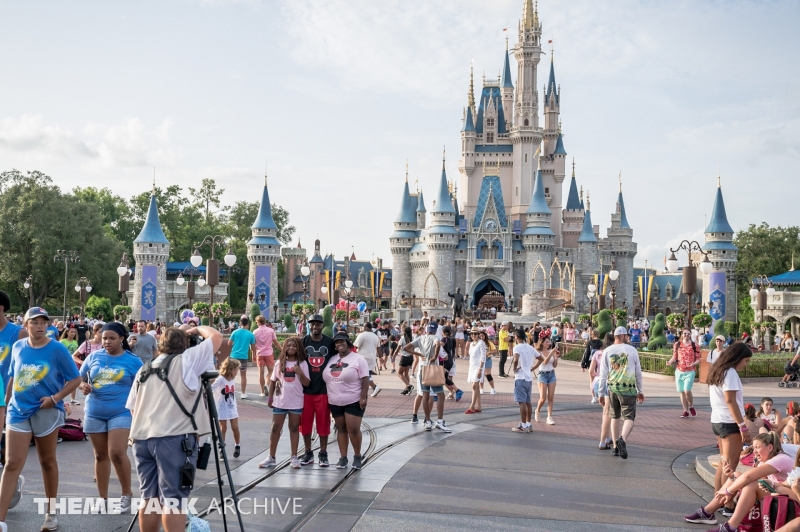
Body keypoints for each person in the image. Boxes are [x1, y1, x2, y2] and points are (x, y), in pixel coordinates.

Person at [126, 324, 222, 532]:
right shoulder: (187, 360)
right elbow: (216, 337)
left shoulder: (144, 369)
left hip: (141, 438)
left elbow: (133, 408)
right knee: (174, 500)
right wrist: (196, 329)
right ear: (185, 344)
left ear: (161, 344)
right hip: (175, 438)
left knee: (149, 497)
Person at [0, 307, 82, 532]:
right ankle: (1, 519)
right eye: (35, 322)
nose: (39, 326)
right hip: (18, 411)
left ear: (48, 325)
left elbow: (75, 379)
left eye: (43, 322)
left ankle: (51, 512)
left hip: (46, 410)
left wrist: (55, 398)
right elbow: (13, 377)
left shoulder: (57, 349)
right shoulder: (18, 347)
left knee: (47, 461)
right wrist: (7, 404)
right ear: (26, 325)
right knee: (12, 463)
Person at [78, 322, 143, 513]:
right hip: (95, 411)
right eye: (104, 338)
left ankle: (126, 494)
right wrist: (82, 386)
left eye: (112, 338)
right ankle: (102, 498)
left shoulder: (133, 360)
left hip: (121, 412)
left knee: (116, 452)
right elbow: (78, 378)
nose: (107, 342)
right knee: (100, 455)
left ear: (122, 339)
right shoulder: (94, 356)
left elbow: (143, 386)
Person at [685, 432, 791, 531]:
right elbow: (756, 480)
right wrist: (732, 477)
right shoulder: (764, 462)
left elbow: (747, 477)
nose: (754, 451)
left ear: (770, 447)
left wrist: (728, 491)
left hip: (791, 501)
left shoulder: (780, 459)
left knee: (751, 485)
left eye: (757, 447)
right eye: (753, 448)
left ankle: (730, 526)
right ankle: (707, 512)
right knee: (736, 475)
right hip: (779, 496)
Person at [323, 331, 370, 469]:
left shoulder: (358, 359)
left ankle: (357, 456)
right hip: (335, 401)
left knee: (353, 429)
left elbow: (365, 378)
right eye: (337, 342)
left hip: (353, 399)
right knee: (341, 428)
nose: (340, 344)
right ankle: (343, 458)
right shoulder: (332, 359)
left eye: (342, 341)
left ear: (348, 343)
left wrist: (363, 397)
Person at [597, 326, 645, 460]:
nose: (628, 338)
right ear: (623, 336)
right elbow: (638, 373)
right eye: (627, 336)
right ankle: (622, 439)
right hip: (628, 389)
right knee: (629, 417)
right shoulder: (632, 350)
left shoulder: (607, 351)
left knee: (615, 416)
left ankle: (615, 447)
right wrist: (640, 390)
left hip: (613, 389)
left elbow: (603, 374)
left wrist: (600, 393)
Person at [262, 336, 309, 469]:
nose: (291, 348)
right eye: (288, 345)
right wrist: (270, 398)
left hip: (296, 401)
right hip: (280, 401)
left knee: (294, 428)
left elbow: (307, 383)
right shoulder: (280, 363)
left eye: (294, 346)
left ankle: (294, 456)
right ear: (284, 348)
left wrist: (300, 373)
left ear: (299, 348)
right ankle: (271, 457)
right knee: (275, 427)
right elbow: (273, 381)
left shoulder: (302, 363)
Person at [300, 314, 336, 467]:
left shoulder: (329, 342)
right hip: (306, 391)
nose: (315, 327)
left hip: (323, 390)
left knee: (323, 423)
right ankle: (308, 452)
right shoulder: (303, 342)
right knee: (305, 424)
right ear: (309, 325)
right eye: (312, 324)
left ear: (323, 325)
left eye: (318, 324)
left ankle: (323, 452)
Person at [404, 323, 452, 431]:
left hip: (422, 370)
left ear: (426, 329)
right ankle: (439, 421)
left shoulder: (420, 338)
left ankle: (428, 421)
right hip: (433, 370)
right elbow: (439, 346)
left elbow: (406, 348)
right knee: (440, 395)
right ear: (435, 330)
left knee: (424, 396)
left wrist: (419, 354)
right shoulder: (435, 337)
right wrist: (435, 356)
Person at [212, 358, 242, 458]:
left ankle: (237, 445)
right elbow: (211, 388)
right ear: (231, 369)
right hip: (222, 407)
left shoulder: (232, 379)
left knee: (235, 427)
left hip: (232, 406)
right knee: (223, 427)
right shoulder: (221, 379)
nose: (237, 372)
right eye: (236, 370)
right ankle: (221, 448)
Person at [667, 328, 701, 418]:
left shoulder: (694, 345)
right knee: (682, 391)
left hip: (690, 371)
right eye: (685, 333)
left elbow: (698, 359)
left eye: (688, 334)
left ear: (690, 335)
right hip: (679, 371)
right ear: (682, 334)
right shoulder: (677, 344)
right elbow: (674, 356)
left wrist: (693, 363)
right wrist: (670, 362)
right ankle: (685, 411)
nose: (686, 335)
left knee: (687, 390)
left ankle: (691, 406)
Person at [592, 333, 615, 450]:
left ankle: (608, 437)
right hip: (607, 383)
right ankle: (602, 441)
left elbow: (591, 371)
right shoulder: (612, 353)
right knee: (608, 413)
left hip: (597, 382)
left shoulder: (597, 353)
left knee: (606, 413)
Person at [532, 331, 560, 425]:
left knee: (551, 397)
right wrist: (551, 352)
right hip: (542, 375)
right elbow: (544, 361)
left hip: (552, 374)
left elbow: (554, 365)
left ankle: (549, 417)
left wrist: (556, 358)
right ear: (542, 343)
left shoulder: (551, 351)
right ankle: (537, 410)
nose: (549, 343)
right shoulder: (538, 352)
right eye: (546, 342)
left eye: (549, 341)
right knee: (543, 398)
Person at [511, 328, 535, 433]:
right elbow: (541, 358)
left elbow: (516, 359)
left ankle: (523, 425)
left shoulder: (517, 347)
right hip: (528, 377)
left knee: (522, 402)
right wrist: (532, 368)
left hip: (520, 377)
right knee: (528, 401)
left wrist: (514, 368)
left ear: (516, 337)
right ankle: (529, 424)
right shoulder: (530, 347)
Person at [228, 316, 256, 398]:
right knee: (243, 375)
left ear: (240, 323)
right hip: (243, 357)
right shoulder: (251, 334)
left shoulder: (235, 332)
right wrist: (253, 354)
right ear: (247, 324)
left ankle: (230, 391)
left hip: (233, 355)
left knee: (231, 375)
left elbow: (229, 343)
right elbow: (253, 348)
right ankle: (243, 393)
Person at [254, 316, 282, 397]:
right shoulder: (271, 330)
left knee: (261, 373)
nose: (256, 323)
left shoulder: (255, 332)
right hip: (269, 353)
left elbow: (253, 344)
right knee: (271, 371)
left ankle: (262, 392)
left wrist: (253, 353)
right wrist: (282, 349)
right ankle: (267, 384)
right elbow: (276, 342)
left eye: (256, 322)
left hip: (259, 354)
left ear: (258, 322)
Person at [353, 323, 381, 397]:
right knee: (366, 374)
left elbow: (355, 346)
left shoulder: (362, 335)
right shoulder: (375, 336)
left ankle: (374, 387)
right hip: (372, 358)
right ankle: (374, 387)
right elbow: (378, 348)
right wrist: (380, 357)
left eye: (363, 326)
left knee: (364, 375)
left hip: (362, 357)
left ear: (365, 327)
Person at [465, 326, 486, 414]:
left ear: (478, 334)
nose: (473, 335)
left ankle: (472, 406)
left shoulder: (481, 343)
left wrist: (480, 369)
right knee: (475, 386)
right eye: (472, 334)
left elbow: (483, 357)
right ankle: (479, 406)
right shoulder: (471, 344)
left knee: (474, 385)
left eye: (475, 334)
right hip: (472, 366)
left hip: (479, 366)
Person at [582, 330, 604, 403]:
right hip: (600, 363)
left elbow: (586, 353)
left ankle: (593, 396)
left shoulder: (589, 343)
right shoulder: (601, 343)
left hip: (591, 362)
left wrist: (583, 364)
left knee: (592, 380)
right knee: (600, 379)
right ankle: (600, 394)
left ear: (592, 335)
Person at [394, 326, 414, 395]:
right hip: (410, 357)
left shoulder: (402, 339)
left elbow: (398, 348)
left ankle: (409, 385)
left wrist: (393, 355)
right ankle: (407, 389)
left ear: (404, 332)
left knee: (399, 373)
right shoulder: (412, 338)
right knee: (406, 373)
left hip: (405, 357)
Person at [479, 330, 497, 395]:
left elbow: (495, 351)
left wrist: (489, 352)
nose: (481, 337)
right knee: (481, 375)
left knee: (487, 374)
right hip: (480, 360)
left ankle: (493, 388)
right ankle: (481, 389)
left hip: (487, 360)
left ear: (485, 336)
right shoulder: (477, 343)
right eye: (480, 336)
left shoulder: (489, 343)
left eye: (482, 336)